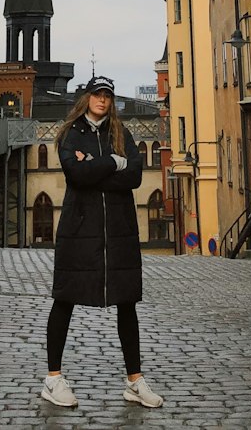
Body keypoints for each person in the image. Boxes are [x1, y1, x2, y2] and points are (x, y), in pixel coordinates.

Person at [41, 75, 164, 409]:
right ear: (86, 98)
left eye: (107, 96)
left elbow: (135, 176)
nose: (103, 100)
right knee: (64, 299)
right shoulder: (70, 133)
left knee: (127, 304)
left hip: (119, 231)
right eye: (97, 94)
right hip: (80, 230)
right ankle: (53, 378)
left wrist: (95, 168)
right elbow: (76, 176)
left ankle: (135, 382)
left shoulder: (120, 133)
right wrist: (112, 162)